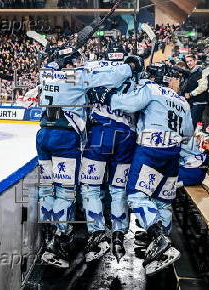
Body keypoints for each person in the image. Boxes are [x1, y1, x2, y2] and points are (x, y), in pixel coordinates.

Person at [37, 46, 141, 268]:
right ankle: (111, 234)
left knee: (49, 187)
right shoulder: (80, 75)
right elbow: (116, 75)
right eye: (74, 61)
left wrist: (62, 57)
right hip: (72, 136)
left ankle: (55, 234)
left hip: (44, 134)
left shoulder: (45, 71)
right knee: (102, 189)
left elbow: (57, 66)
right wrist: (131, 66)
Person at [107, 62, 194, 275]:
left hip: (151, 150)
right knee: (163, 201)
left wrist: (109, 97)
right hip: (173, 153)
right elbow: (188, 131)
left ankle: (158, 238)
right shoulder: (182, 100)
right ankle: (161, 248)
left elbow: (128, 105)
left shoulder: (151, 89)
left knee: (136, 196)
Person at [79, 52, 141, 263]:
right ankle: (118, 234)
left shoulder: (101, 71)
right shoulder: (139, 83)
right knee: (118, 188)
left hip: (101, 132)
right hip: (127, 136)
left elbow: (82, 88)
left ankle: (97, 233)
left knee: (90, 186)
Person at [181, 54, 209, 128]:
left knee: (194, 124)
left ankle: (196, 139)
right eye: (187, 62)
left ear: (195, 61)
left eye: (191, 61)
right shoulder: (192, 72)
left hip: (199, 102)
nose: (189, 63)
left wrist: (190, 94)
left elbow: (203, 87)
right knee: (192, 124)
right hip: (193, 102)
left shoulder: (201, 71)